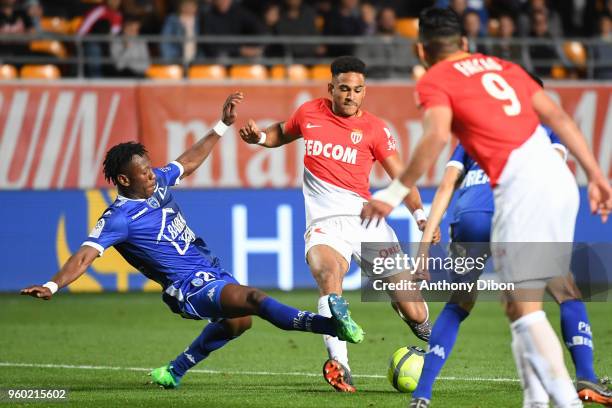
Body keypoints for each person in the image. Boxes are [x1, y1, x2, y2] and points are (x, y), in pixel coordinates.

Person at [20, 92, 365, 390]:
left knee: (238, 322)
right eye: (144, 173)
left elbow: (187, 161)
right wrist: (53, 285)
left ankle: (174, 370)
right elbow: (84, 255)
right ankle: (333, 326)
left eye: (151, 168)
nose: (152, 174)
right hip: (187, 287)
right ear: (125, 179)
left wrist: (221, 125)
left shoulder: (156, 183)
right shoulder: (119, 218)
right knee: (255, 299)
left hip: (209, 270)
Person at [360, 7, 612, 408]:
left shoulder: (435, 79)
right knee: (522, 304)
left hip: (520, 188)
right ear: (464, 43)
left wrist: (392, 194)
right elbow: (560, 117)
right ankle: (540, 400)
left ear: (421, 49)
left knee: (523, 310)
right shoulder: (507, 67)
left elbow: (436, 135)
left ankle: (567, 401)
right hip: (560, 181)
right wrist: (597, 175)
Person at [238, 56, 437, 393]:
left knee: (415, 311)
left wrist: (420, 215)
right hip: (324, 225)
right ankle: (339, 364)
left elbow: (402, 177)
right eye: (344, 88)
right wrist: (258, 137)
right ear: (331, 88)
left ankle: (415, 317)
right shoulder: (309, 112)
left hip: (368, 223)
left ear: (364, 92)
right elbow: (280, 133)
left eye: (357, 90)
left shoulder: (375, 128)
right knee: (329, 279)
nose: (350, 95)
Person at [413, 115, 612, 405]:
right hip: (513, 215)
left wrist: (422, 250)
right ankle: (584, 377)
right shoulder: (543, 132)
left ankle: (422, 393)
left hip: (468, 220)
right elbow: (551, 177)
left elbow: (445, 188)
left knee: (459, 303)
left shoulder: (474, 133)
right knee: (564, 294)